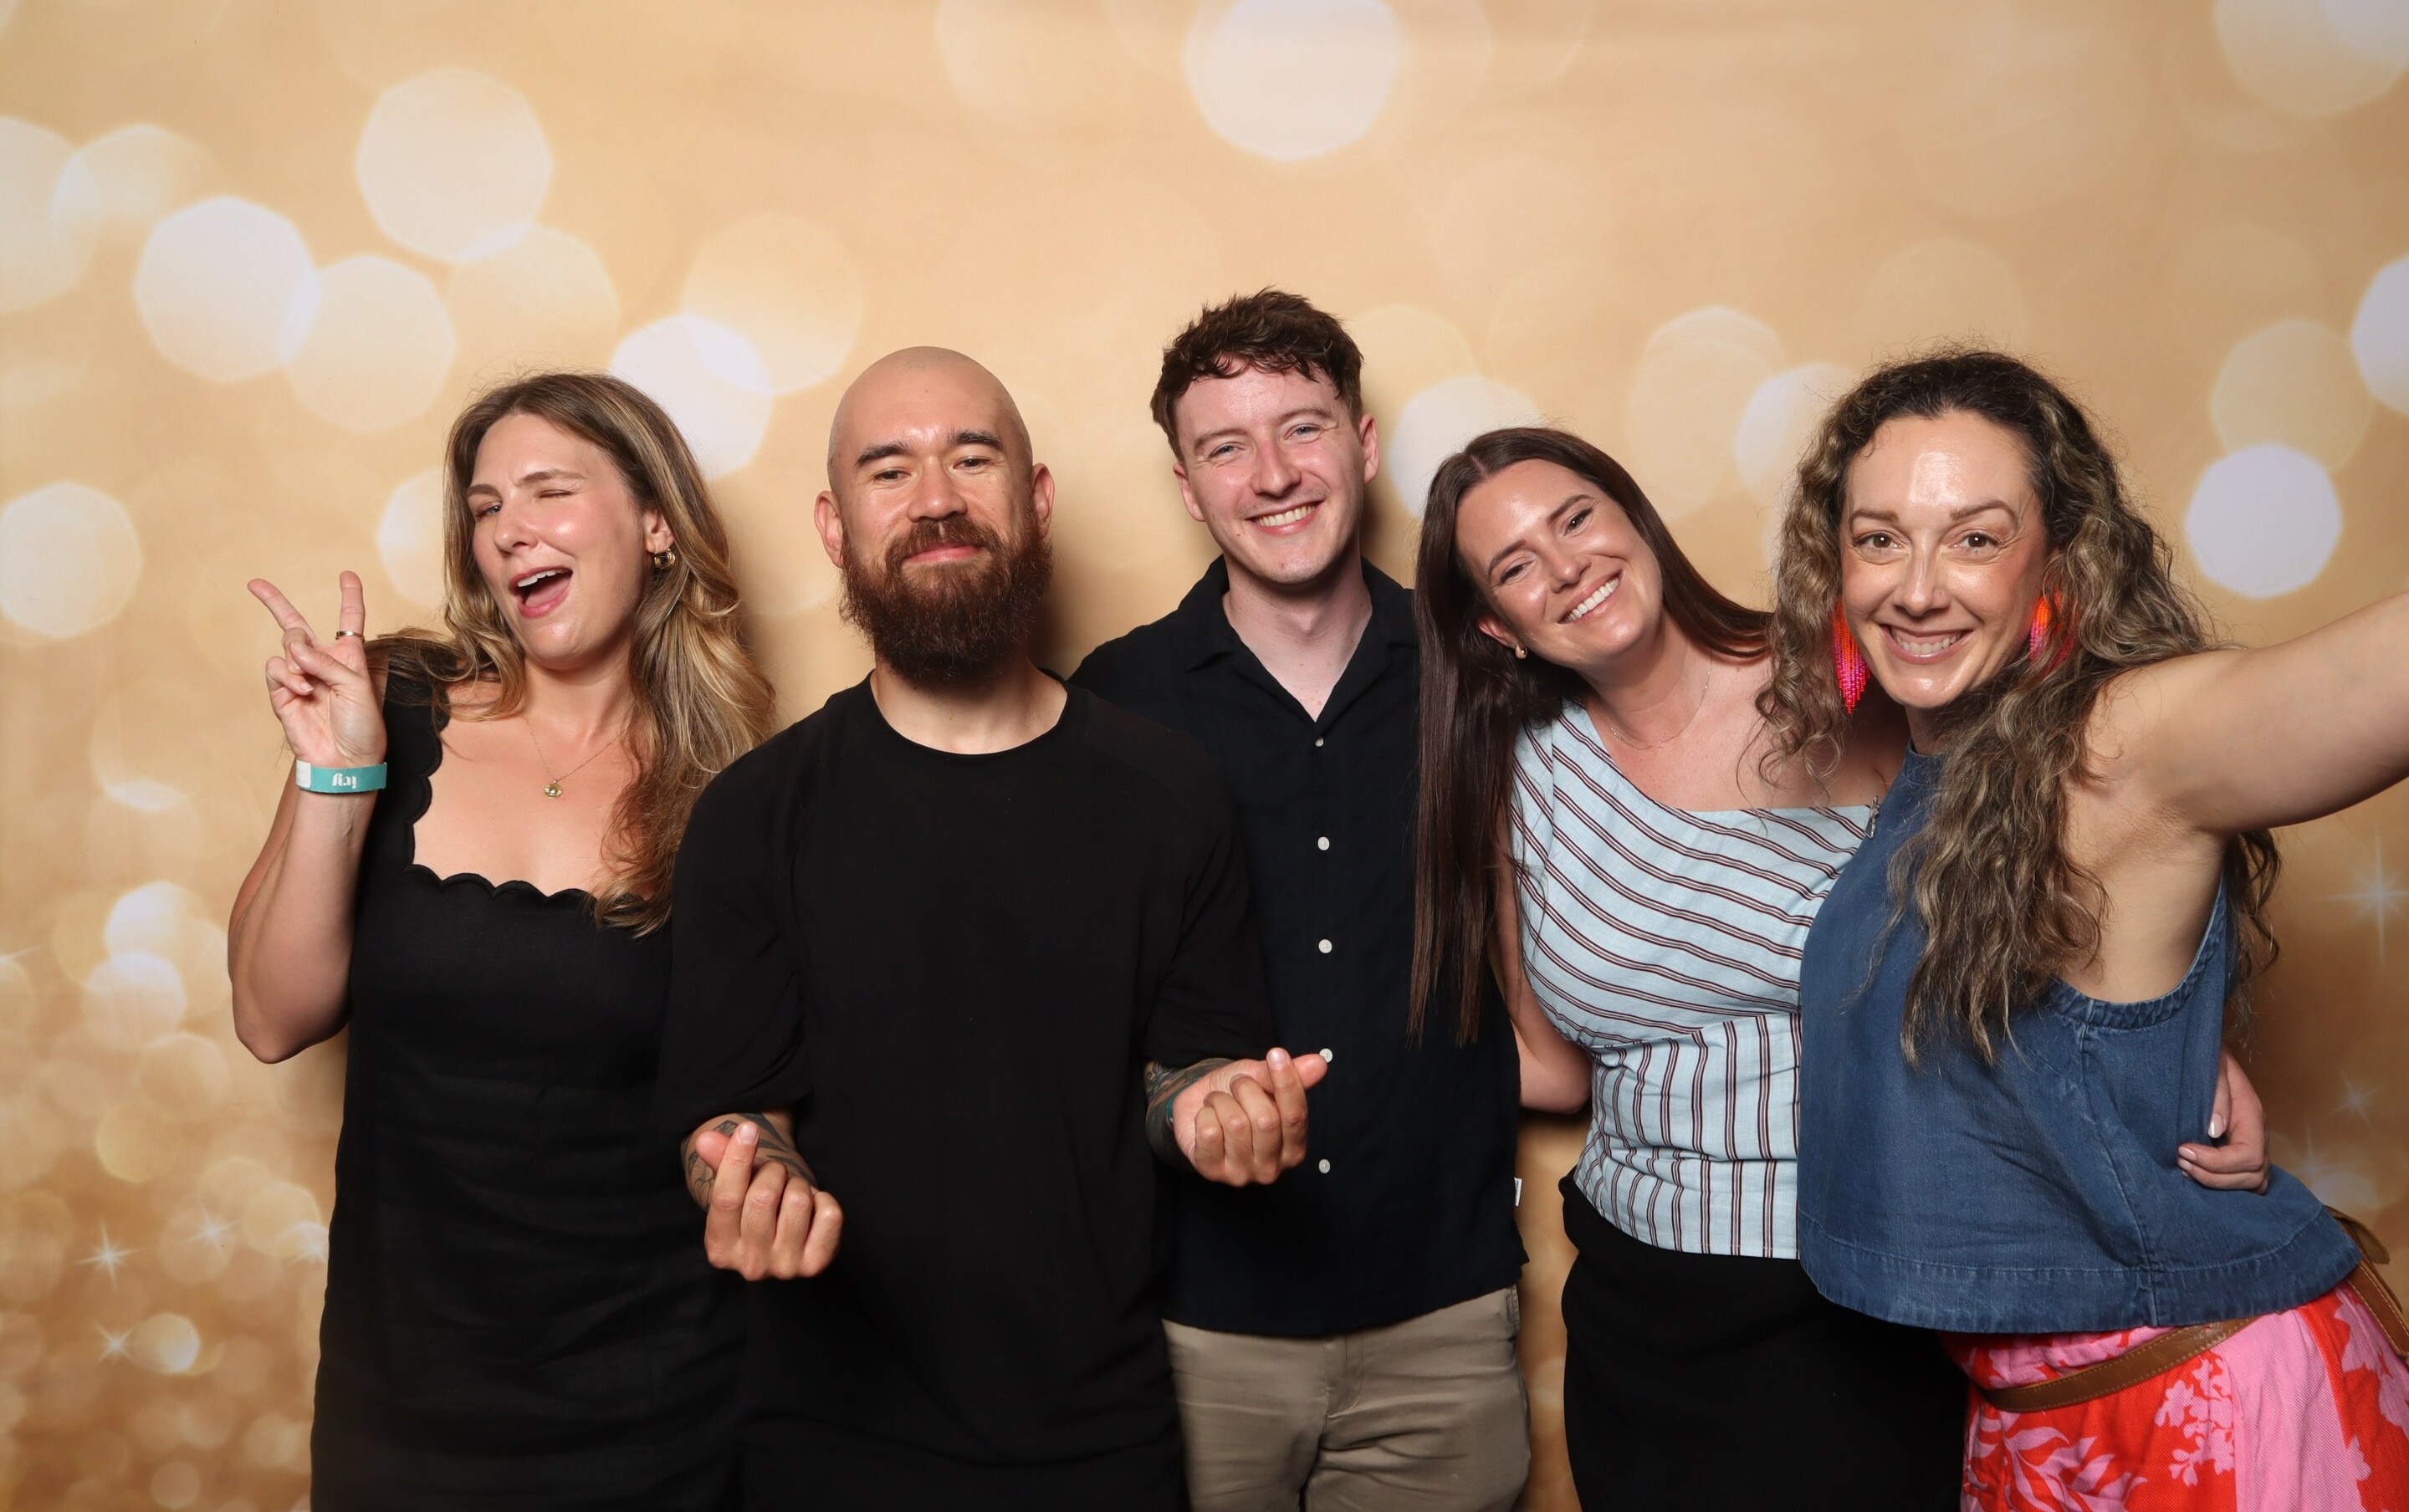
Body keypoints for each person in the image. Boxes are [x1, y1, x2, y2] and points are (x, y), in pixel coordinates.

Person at [1409, 425, 2276, 1511]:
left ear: (1634, 518)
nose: (1566, 565)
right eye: (1516, 565)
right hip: (1640, 1302)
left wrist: (2173, 1044)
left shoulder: (1853, 673)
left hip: (1864, 1275)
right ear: (1498, 624)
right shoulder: (1521, 776)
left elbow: (2064, 855)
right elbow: (1548, 1064)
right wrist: (1335, 1091)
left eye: (1576, 518)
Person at [652, 345, 1329, 1512]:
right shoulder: (756, 812)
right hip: (826, 1443)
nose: (936, 500)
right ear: (834, 527)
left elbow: (1187, 1074)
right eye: (889, 471)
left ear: (1037, 499)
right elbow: (731, 1109)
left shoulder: (1170, 791)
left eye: (973, 459)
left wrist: (1218, 1109)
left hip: (1100, 1437)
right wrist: (746, 1176)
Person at [1764, 350, 2409, 1509]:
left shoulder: (2116, 742)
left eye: (1975, 537)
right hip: (2040, 1418)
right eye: (1879, 539)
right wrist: (2149, 1067)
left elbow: (2368, 682)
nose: (1918, 588)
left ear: (2058, 560)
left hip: (2198, 1400)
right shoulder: (1944, 763)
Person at [228, 372, 775, 1510]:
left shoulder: (737, 790)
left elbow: (747, 1092)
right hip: (404, 1406)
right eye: (485, 508)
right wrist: (339, 770)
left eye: (549, 490)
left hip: (658, 1408)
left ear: (657, 523)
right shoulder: (389, 705)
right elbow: (273, 1017)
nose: (510, 529)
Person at [1073, 291, 1527, 1512]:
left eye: (1303, 429)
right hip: (1196, 1328)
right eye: (1226, 447)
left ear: (1364, 445)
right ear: (1187, 487)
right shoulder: (1113, 703)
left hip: (1444, 1314)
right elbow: (1067, 1005)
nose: (1272, 475)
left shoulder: (1483, 673)